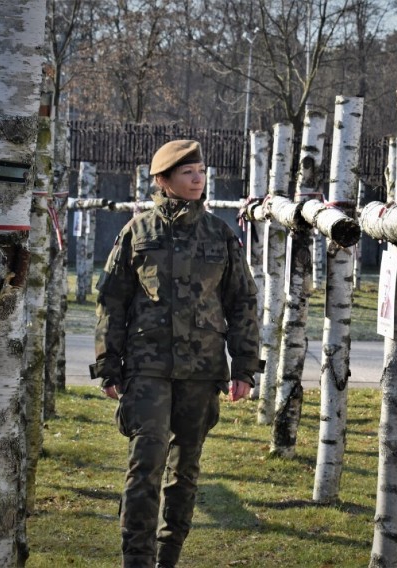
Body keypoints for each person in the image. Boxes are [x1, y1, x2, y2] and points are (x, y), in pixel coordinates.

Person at [91, 139, 260, 568]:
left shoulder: (221, 234)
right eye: (187, 172)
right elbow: (111, 301)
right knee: (144, 463)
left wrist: (244, 367)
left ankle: (168, 557)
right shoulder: (137, 232)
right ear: (163, 180)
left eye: (201, 171)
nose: (198, 178)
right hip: (147, 367)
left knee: (185, 471)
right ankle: (137, 560)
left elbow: (242, 301)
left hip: (202, 370)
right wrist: (109, 365)